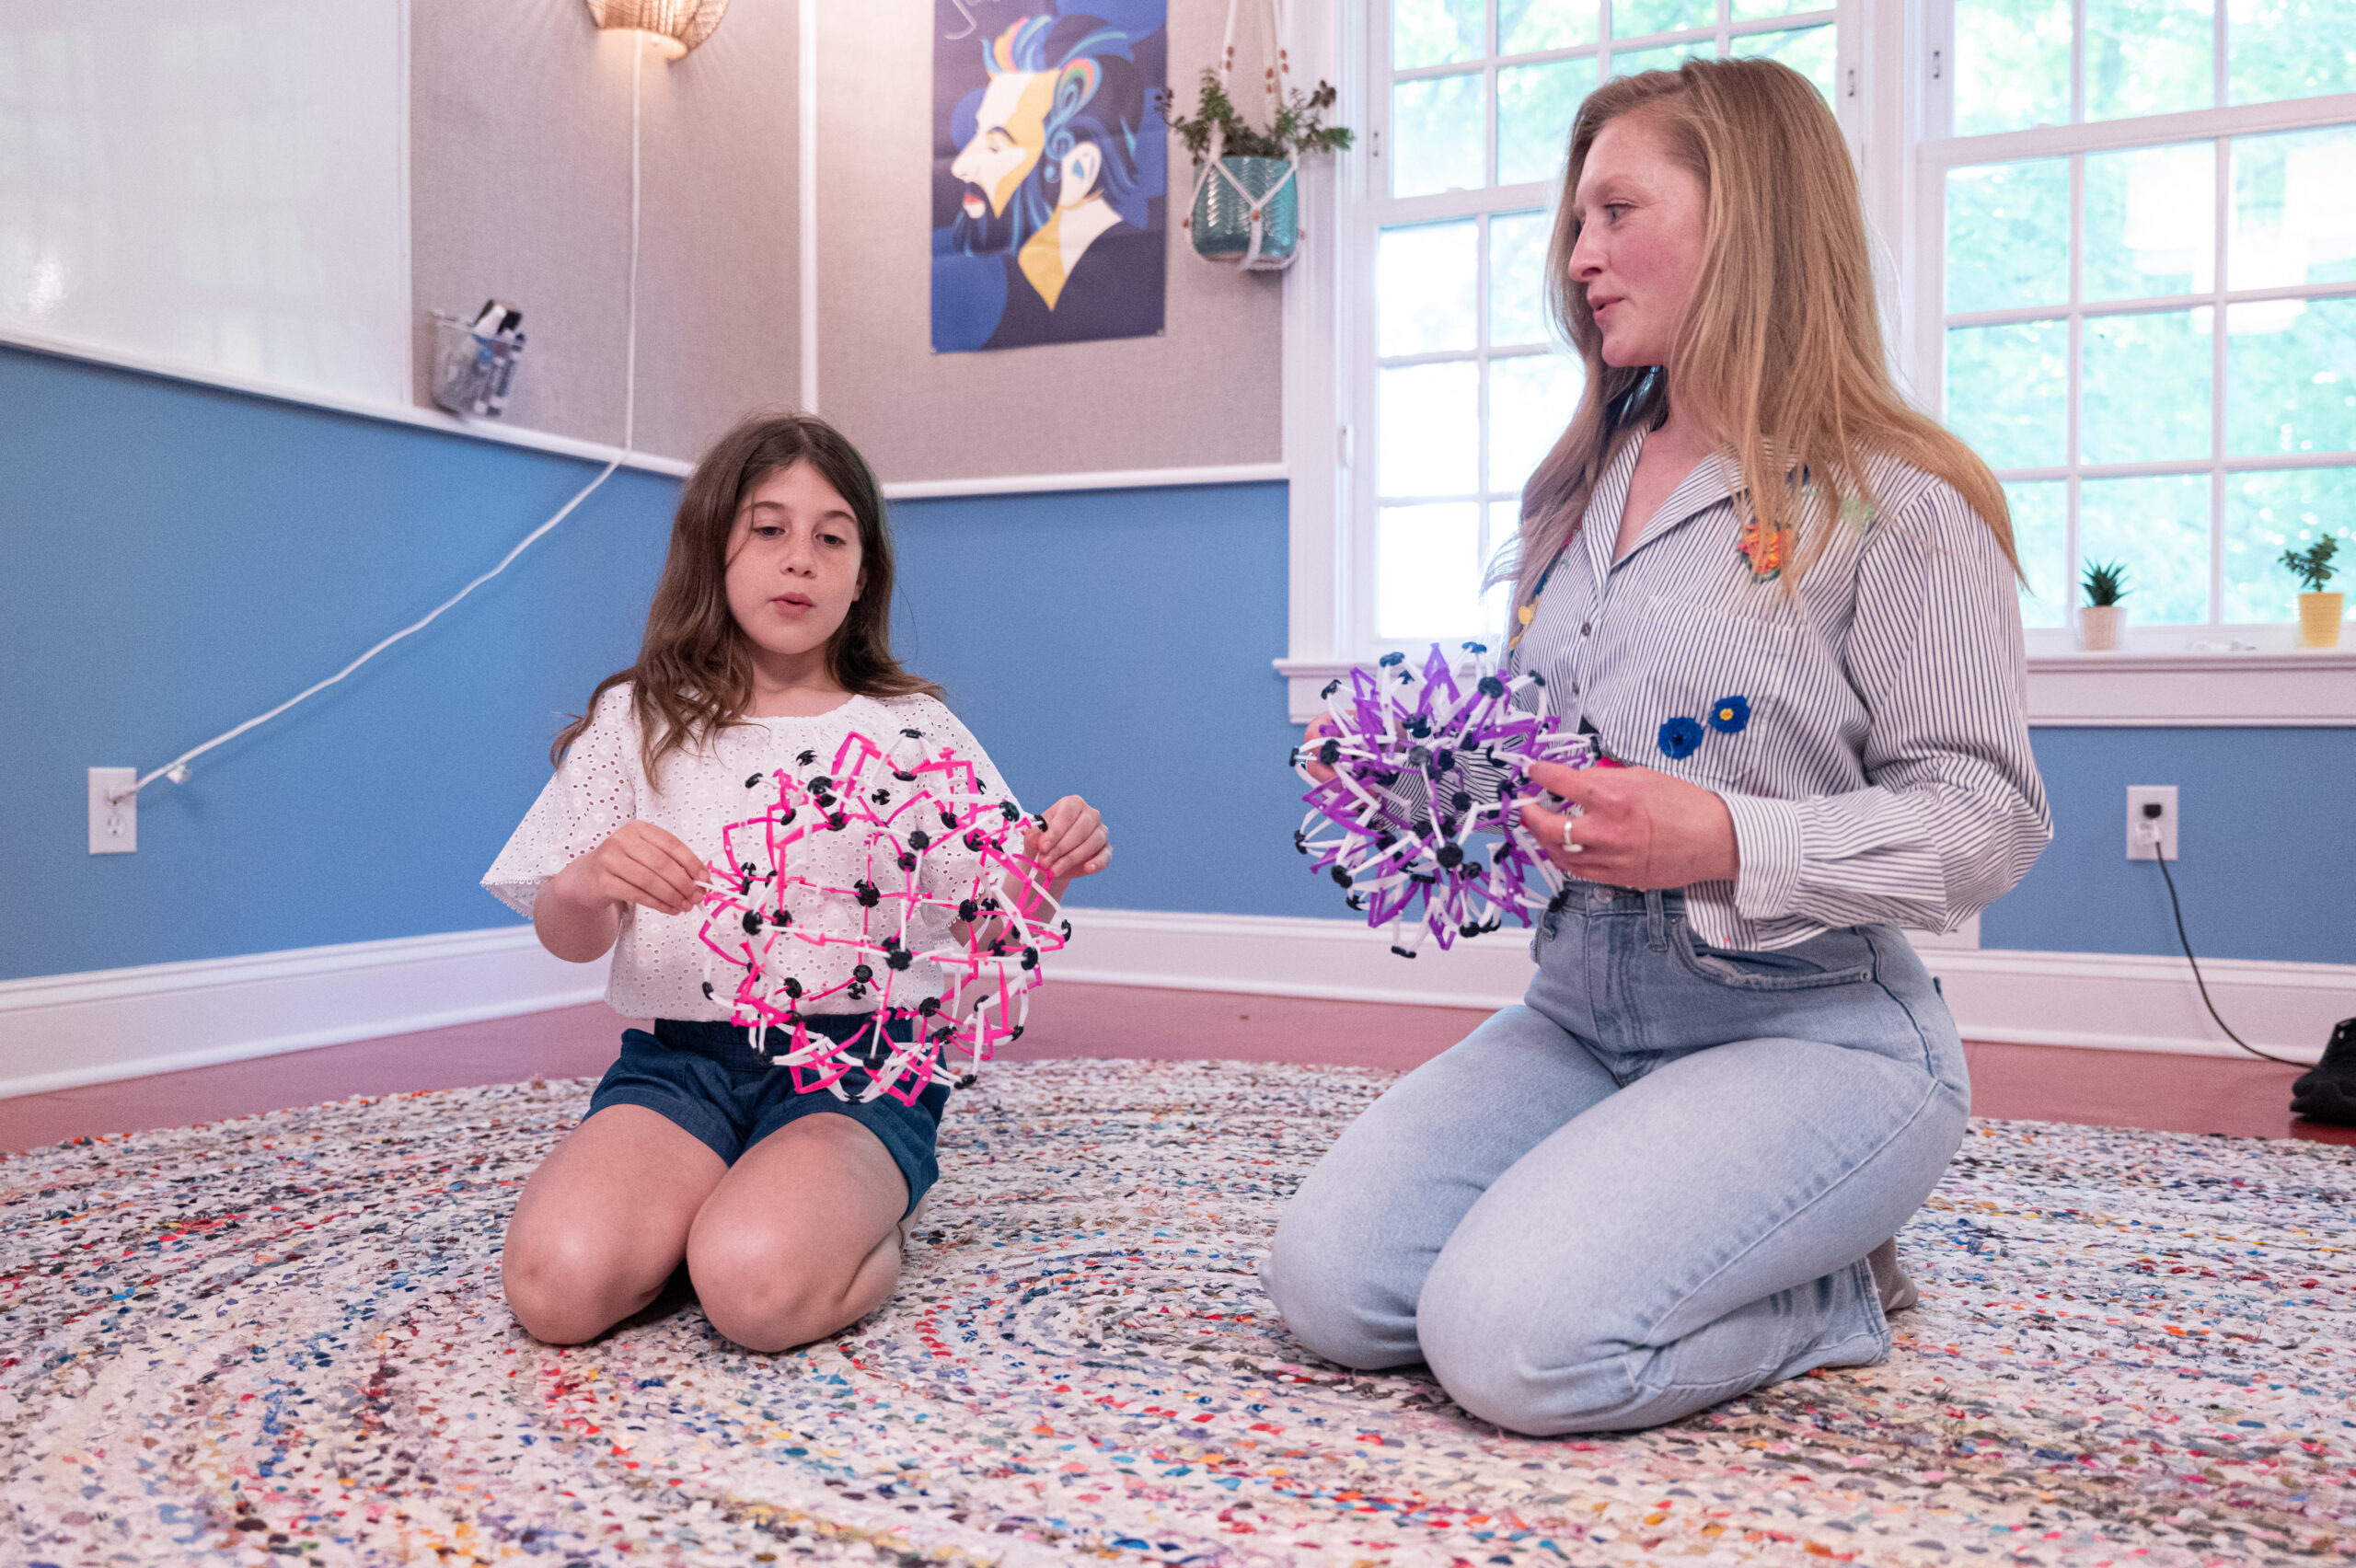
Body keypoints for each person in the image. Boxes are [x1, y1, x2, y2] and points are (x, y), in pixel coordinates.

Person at [1261, 58, 2050, 1435]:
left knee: (1516, 1351)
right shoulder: (1575, 489)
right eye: (1576, 225)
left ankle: (1831, 1293)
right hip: (1580, 1017)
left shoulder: (1903, 505)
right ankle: (1697, 1216)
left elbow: (1986, 819)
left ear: (1742, 218)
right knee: (1334, 1295)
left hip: (1816, 1031)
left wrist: (1731, 836)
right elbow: (1549, 756)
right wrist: (1426, 788)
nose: (1580, 260)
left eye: (1616, 213)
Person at [483, 412, 1110, 1353]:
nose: (800, 559)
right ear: (713, 551)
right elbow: (568, 936)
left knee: (751, 1291)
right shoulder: (636, 721)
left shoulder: (913, 732)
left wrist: (1047, 865)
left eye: (831, 537)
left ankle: (860, 1217)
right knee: (554, 1291)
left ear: (862, 577)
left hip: (859, 1071)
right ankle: (732, 1197)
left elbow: (989, 930)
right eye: (768, 529)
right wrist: (587, 879)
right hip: (683, 1067)